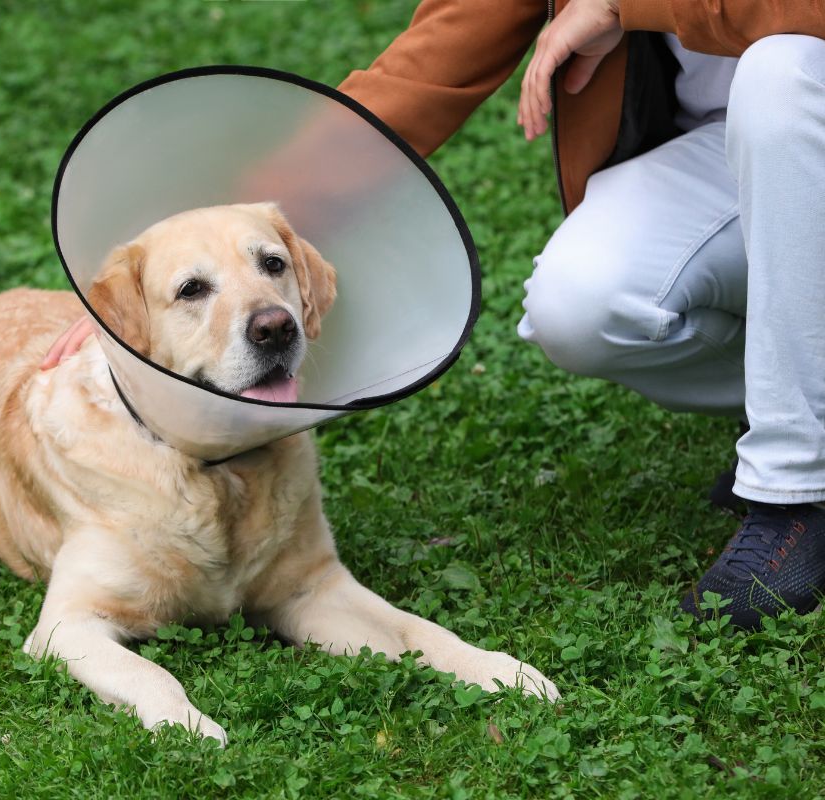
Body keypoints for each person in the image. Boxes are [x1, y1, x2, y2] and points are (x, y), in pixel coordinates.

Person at [42, 0, 825, 630]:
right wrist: (173, 280)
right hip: (725, 155)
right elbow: (447, 44)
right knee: (584, 302)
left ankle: (795, 489)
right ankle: (802, 404)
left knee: (780, 71)